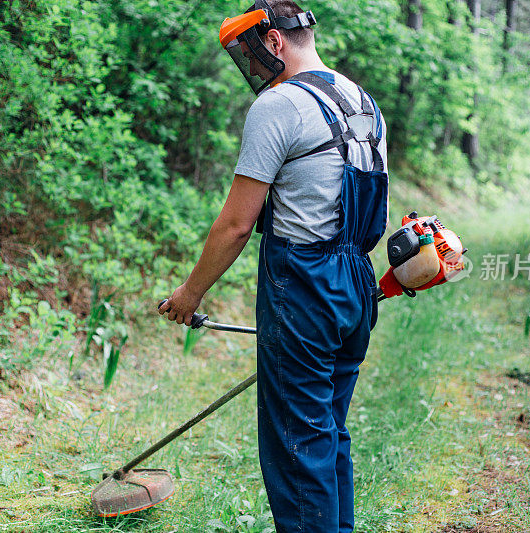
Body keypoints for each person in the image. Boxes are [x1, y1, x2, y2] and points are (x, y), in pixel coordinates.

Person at [159, 1, 388, 531]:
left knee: (298, 444)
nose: (252, 66)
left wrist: (191, 292)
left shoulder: (279, 104)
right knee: (326, 432)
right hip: (354, 283)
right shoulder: (361, 99)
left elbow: (237, 224)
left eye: (250, 52)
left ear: (275, 42)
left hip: (304, 285)